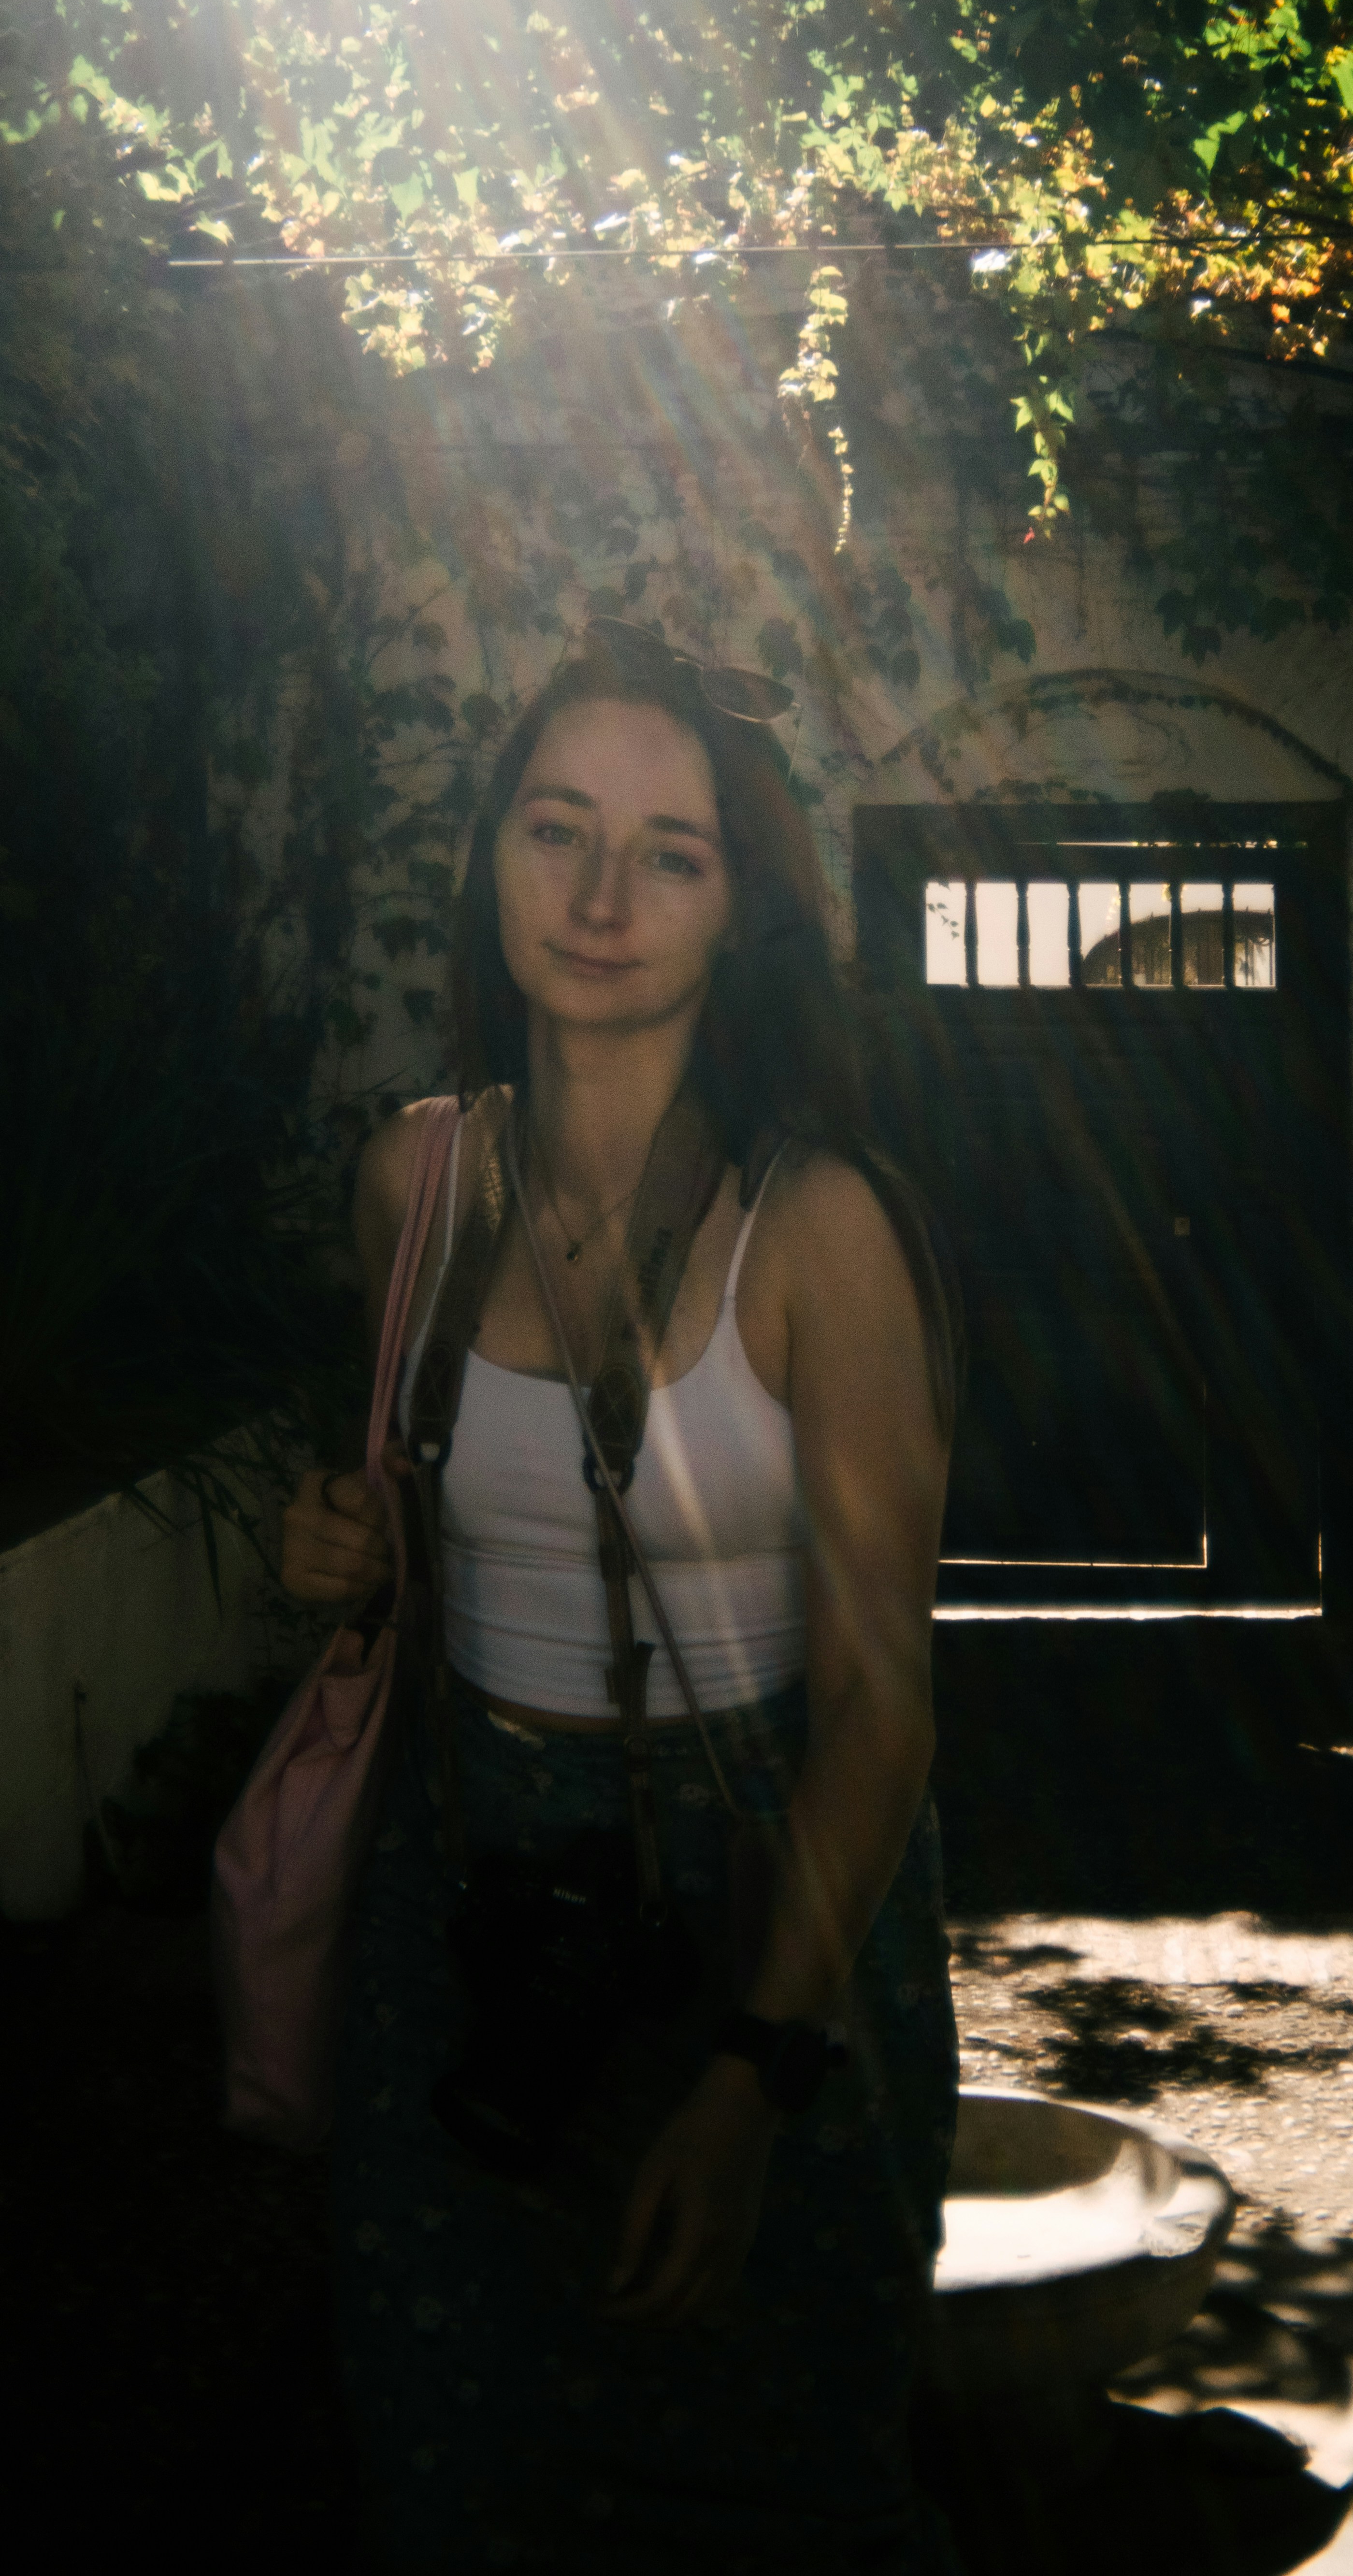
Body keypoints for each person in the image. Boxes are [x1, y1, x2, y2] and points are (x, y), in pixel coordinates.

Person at [281, 622, 962, 2574]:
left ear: (739, 908)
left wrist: (758, 2078)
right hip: (463, 1892)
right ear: (488, 857)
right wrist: (343, 1551)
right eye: (555, 830)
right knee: (456, 2462)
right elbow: (431, 1522)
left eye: (668, 852)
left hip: (762, 1893)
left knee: (779, 2479)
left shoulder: (816, 1231)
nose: (598, 897)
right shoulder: (411, 1185)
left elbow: (881, 1709)